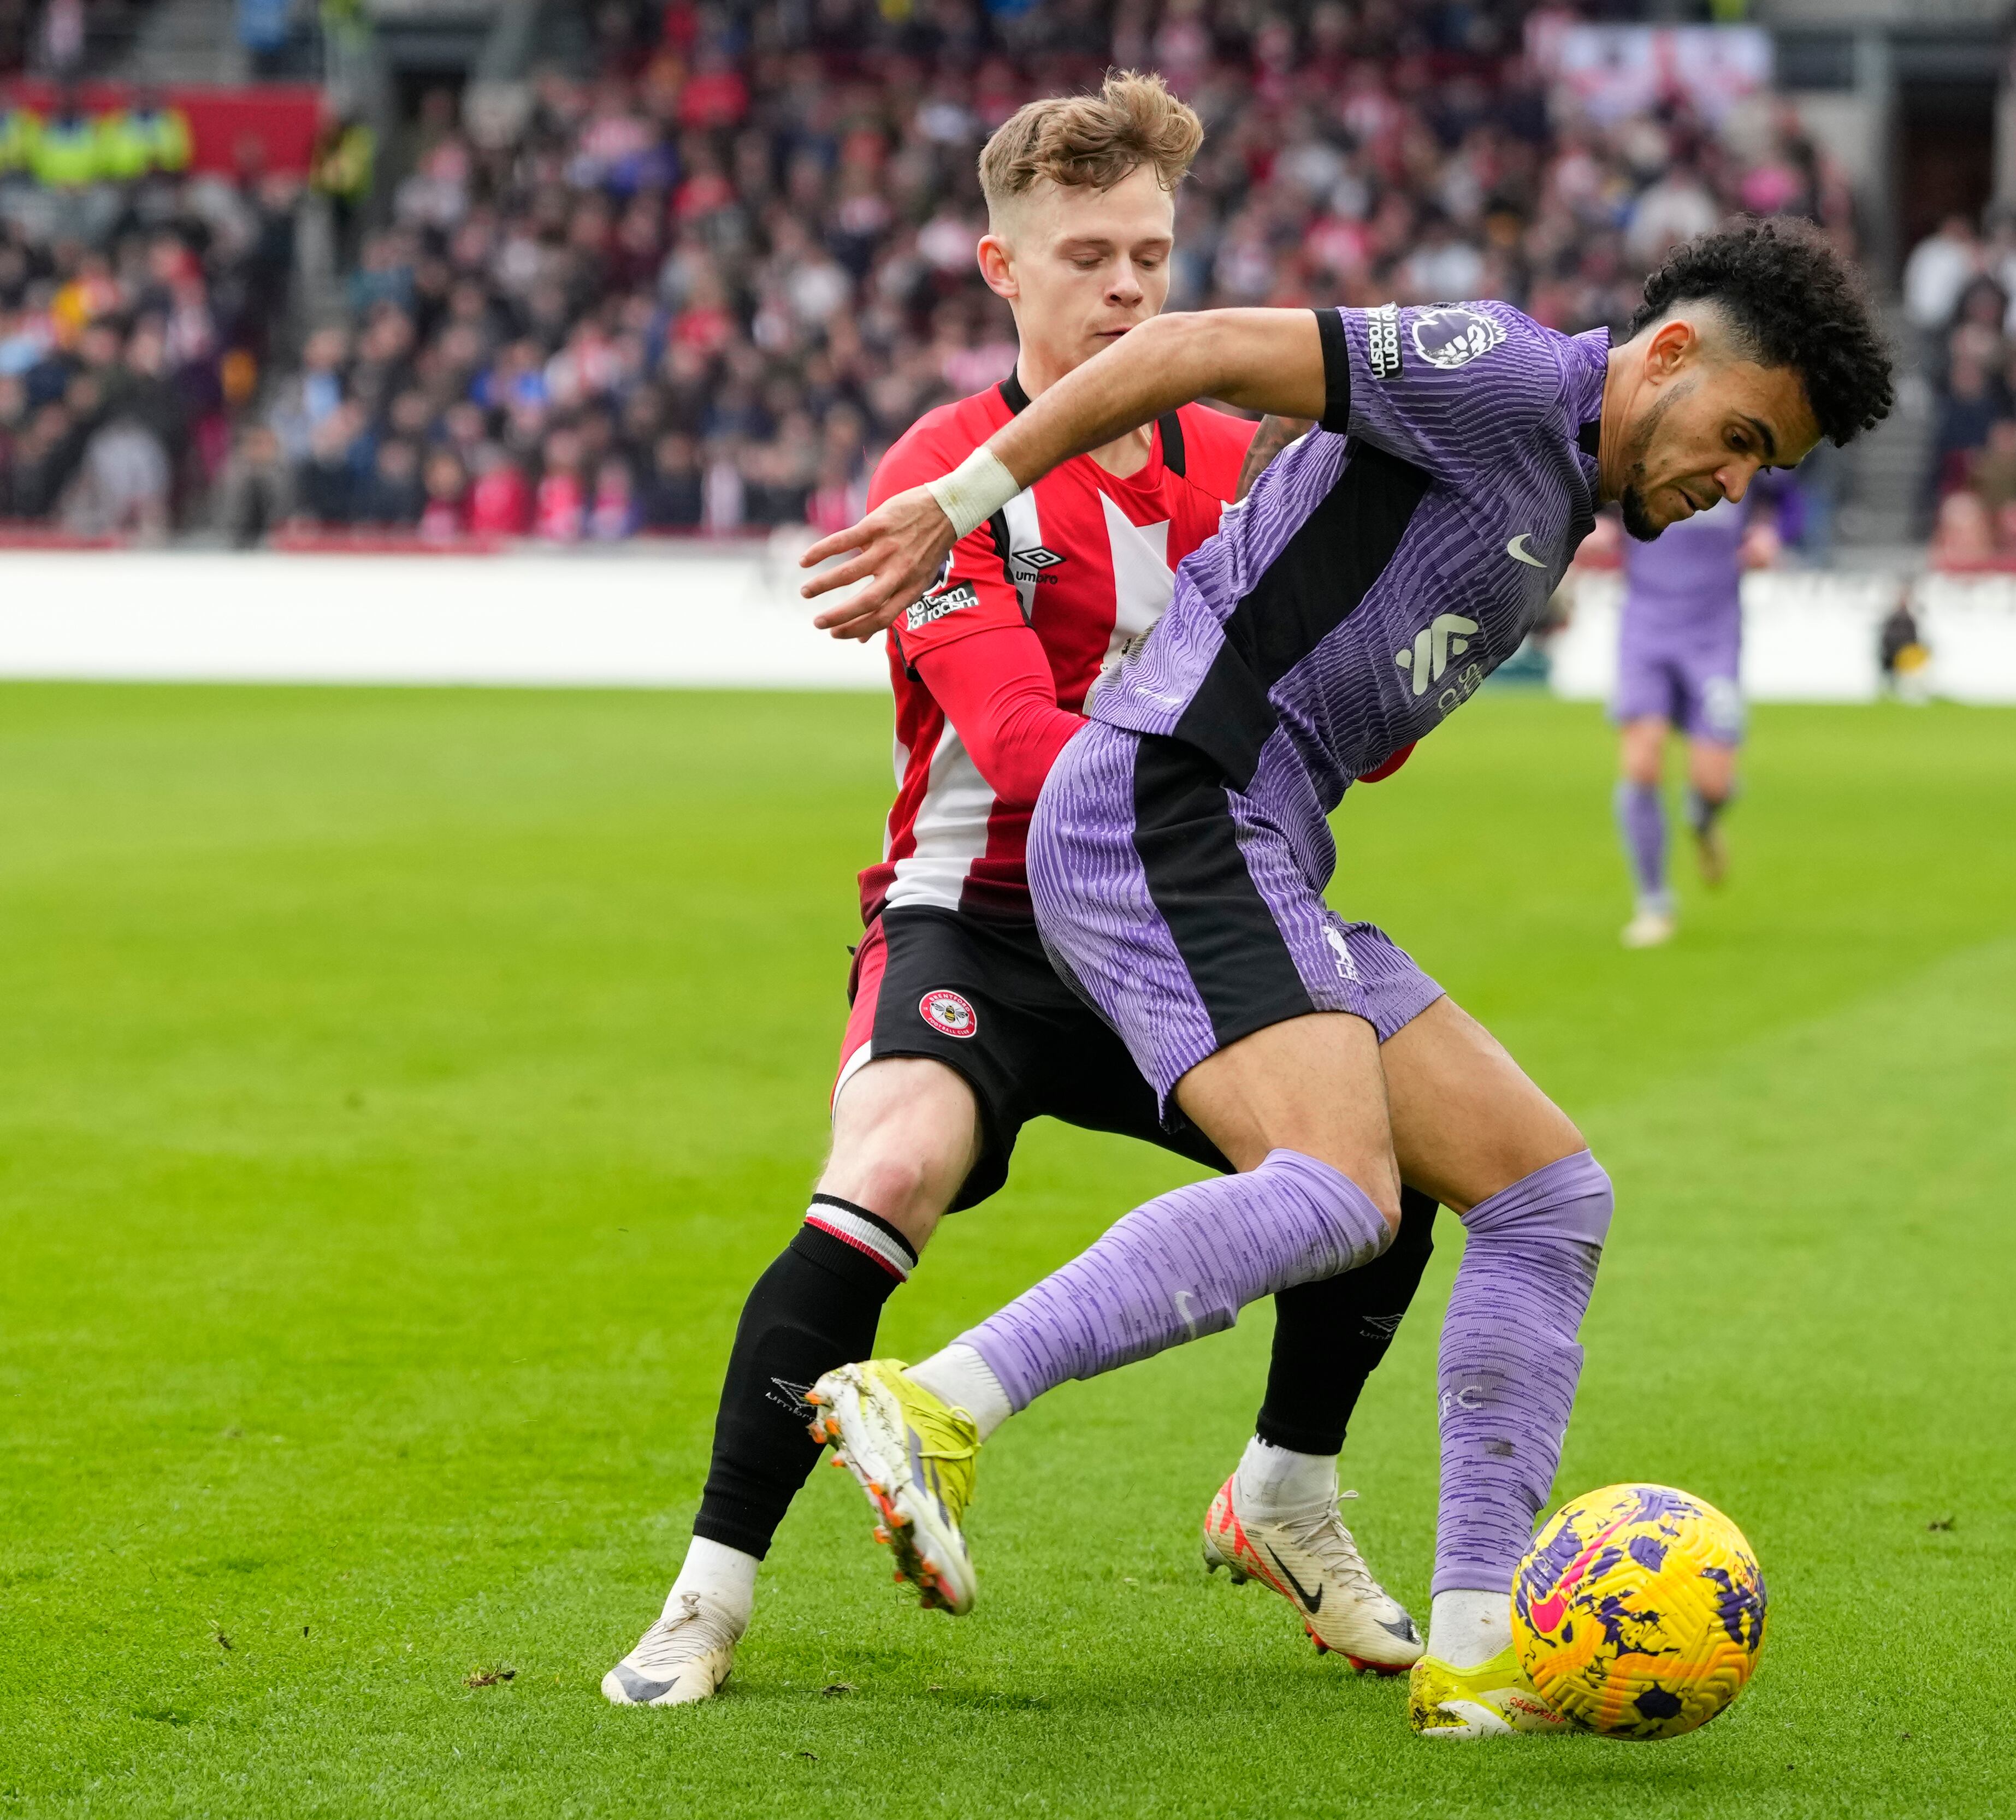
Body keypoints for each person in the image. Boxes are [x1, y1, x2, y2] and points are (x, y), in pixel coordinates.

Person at [794, 215, 1894, 1735]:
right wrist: (965, 500)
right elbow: (1189, 351)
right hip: (1168, 802)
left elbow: (1296, 535)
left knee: (1545, 1193)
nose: (1733, 483)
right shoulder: (1503, 372)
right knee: (1336, 1187)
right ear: (1668, 356)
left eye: (1766, 465)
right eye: (1740, 437)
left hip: (1252, 837)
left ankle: (1469, 1647)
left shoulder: (1557, 486)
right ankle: (936, 1401)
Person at [601, 73, 1438, 1711]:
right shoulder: (945, 471)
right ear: (1004, 269)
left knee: (1378, 1165)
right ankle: (705, 1597)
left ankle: (1286, 1492)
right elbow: (1022, 745)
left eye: (1150, 255)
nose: (1126, 289)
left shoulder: (1230, 463)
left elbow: (1332, 728)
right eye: (1085, 256)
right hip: (976, 919)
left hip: (1170, 926)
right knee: (895, 1159)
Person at [1610, 471, 1787, 948]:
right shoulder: (1646, 456)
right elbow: (1594, 497)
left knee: (1713, 781)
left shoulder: (1736, 460)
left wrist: (1773, 535)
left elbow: (1784, 504)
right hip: (1646, 625)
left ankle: (1704, 816)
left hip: (1713, 635)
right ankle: (1654, 903)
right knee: (1641, 764)